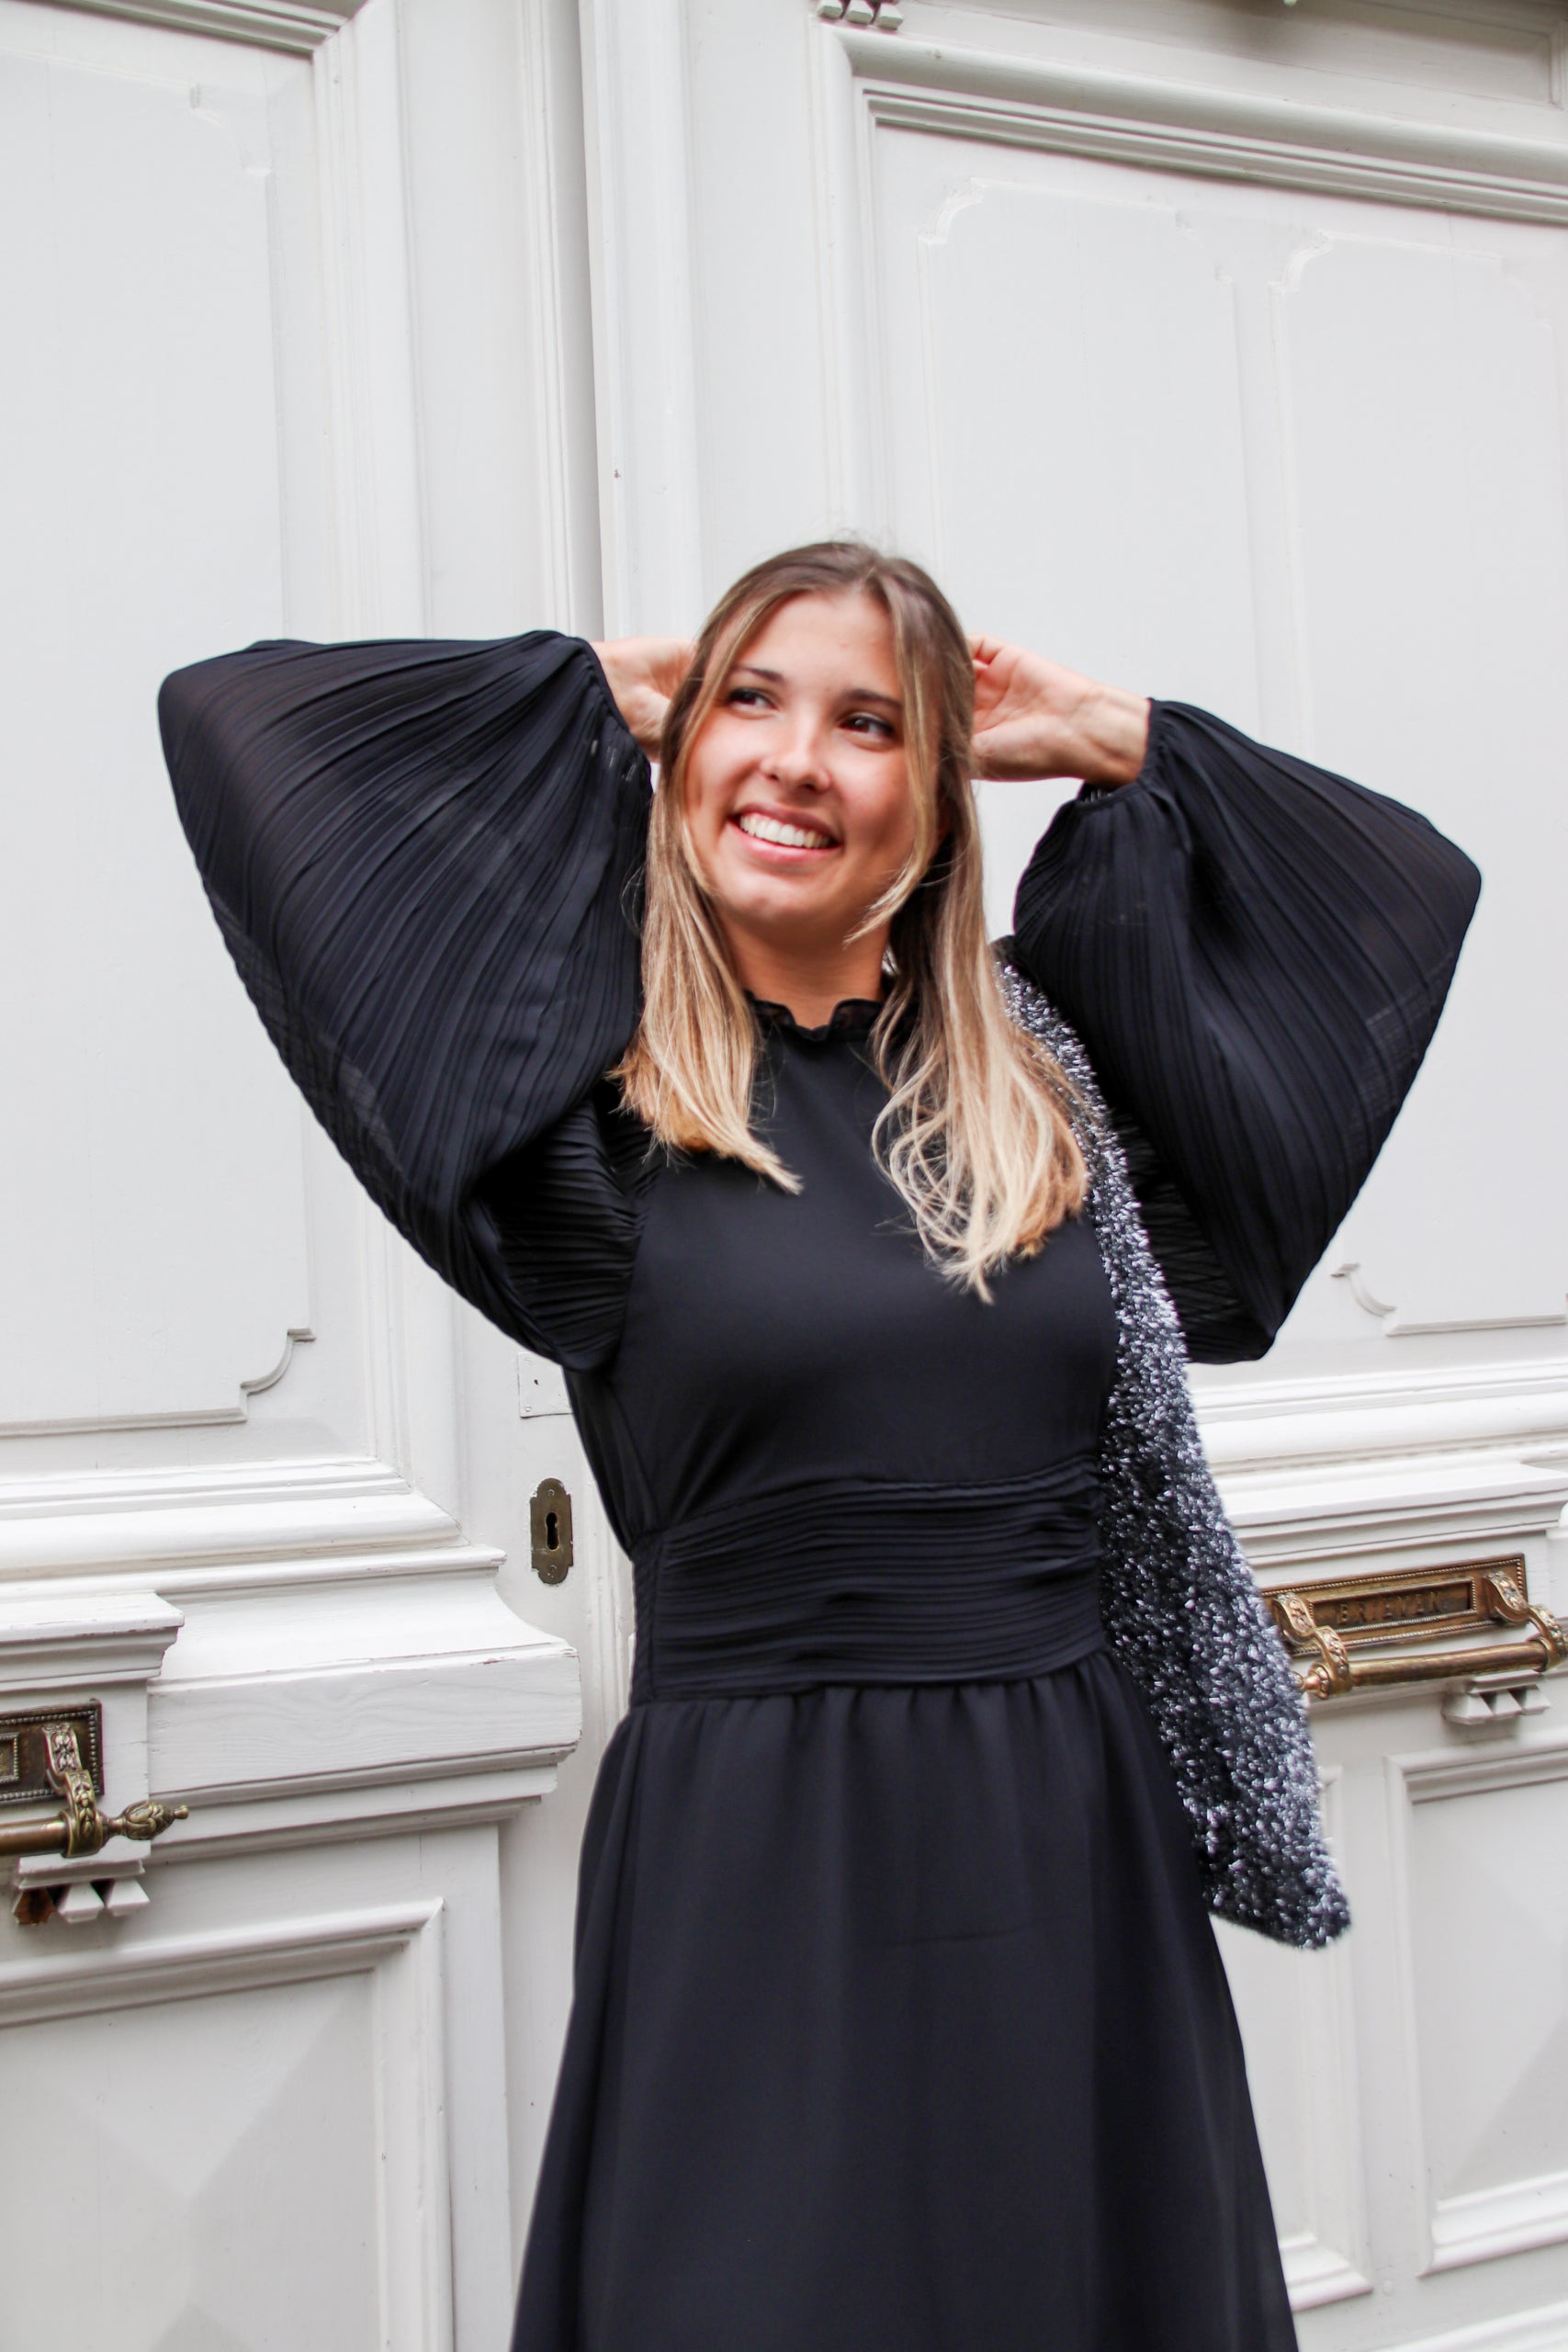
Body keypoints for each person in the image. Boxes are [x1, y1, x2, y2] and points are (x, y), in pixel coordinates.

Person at [159, 541, 1479, 2351]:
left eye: (869, 725)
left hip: (1072, 1842)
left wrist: (1097, 728)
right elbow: (244, 732)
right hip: (756, 1861)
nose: (794, 758)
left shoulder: (1053, 1092)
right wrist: (607, 691)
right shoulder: (576, 1122)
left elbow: (1397, 886)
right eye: (751, 702)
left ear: (937, 797)